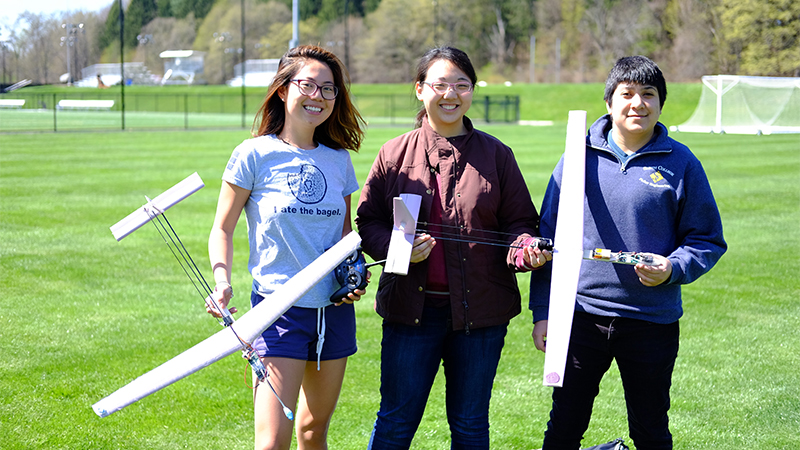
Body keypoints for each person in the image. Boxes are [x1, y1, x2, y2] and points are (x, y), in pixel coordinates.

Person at [356, 46, 551, 450]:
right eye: (441, 84)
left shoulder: (497, 155)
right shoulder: (394, 153)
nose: (451, 94)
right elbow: (368, 222)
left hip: (481, 315)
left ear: (472, 91)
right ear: (420, 90)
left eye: (462, 84)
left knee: (470, 424)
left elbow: (519, 224)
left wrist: (525, 249)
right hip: (410, 312)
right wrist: (398, 249)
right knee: (395, 423)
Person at [529, 55, 727, 450]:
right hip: (581, 316)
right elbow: (548, 240)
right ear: (609, 103)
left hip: (650, 320)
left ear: (660, 104)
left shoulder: (682, 163)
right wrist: (544, 313)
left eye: (648, 95)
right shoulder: (576, 156)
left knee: (650, 428)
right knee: (564, 424)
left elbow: (707, 239)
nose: (638, 103)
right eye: (628, 94)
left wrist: (672, 267)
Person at [206, 45, 367, 450]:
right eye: (308, 85)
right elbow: (221, 229)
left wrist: (355, 276)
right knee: (272, 442)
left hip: (334, 313)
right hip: (277, 313)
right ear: (283, 90)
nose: (318, 96)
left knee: (313, 432)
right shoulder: (253, 154)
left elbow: (345, 238)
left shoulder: (339, 161)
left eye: (328, 89)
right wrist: (221, 280)